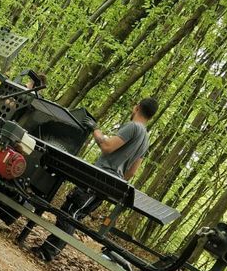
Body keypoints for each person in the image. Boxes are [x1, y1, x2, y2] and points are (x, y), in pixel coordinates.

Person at [33, 96, 159, 261]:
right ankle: (47, 250)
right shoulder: (146, 141)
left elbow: (107, 147)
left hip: (99, 179)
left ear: (137, 107)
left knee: (71, 213)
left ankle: (47, 252)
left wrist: (95, 129)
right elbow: (132, 172)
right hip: (111, 184)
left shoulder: (133, 127)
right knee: (73, 212)